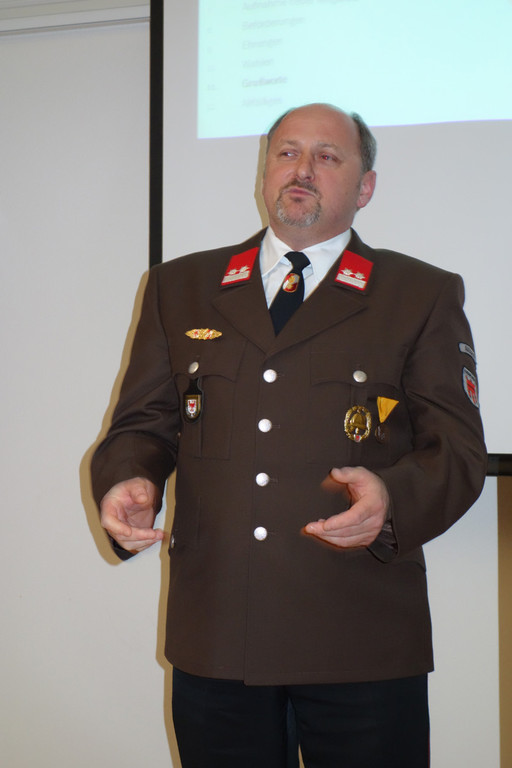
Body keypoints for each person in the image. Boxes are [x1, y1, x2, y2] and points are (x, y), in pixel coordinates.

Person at [91, 103, 487, 768]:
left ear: (365, 187)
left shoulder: (418, 294)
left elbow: (458, 452)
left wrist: (391, 501)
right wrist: (130, 478)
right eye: (286, 152)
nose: (302, 169)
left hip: (360, 636)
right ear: (264, 171)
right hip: (217, 634)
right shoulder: (180, 287)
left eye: (327, 156)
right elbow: (142, 424)